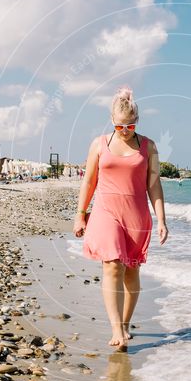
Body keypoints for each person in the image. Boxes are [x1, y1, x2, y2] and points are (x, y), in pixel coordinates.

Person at [74, 85, 168, 351]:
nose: (125, 132)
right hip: (105, 211)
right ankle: (116, 327)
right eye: (119, 127)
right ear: (112, 122)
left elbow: (154, 185)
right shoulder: (99, 144)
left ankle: (126, 323)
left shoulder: (149, 147)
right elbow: (89, 181)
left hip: (136, 214)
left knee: (131, 271)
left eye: (130, 127)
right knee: (112, 265)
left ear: (136, 122)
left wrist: (161, 220)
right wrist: (80, 215)